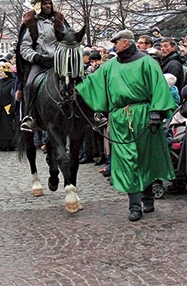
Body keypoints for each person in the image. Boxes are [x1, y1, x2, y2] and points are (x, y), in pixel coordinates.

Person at [75, 29, 177, 222]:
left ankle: (147, 198)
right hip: (120, 118)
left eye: (117, 42)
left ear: (127, 43)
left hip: (144, 115)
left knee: (145, 158)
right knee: (127, 160)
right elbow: (92, 84)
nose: (114, 45)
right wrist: (76, 86)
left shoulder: (147, 62)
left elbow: (158, 87)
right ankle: (134, 205)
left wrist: (156, 112)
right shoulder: (110, 66)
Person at [17, 0, 68, 132]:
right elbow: (24, 47)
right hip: (40, 62)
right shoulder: (30, 22)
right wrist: (38, 58)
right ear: (38, 5)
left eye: (49, 3)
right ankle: (29, 117)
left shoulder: (59, 20)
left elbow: (69, 38)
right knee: (28, 85)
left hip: (60, 60)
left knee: (80, 79)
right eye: (44, 3)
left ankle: (93, 113)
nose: (48, 6)